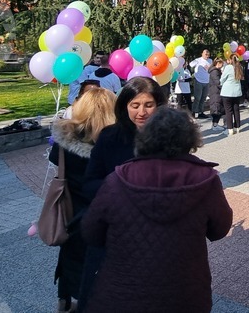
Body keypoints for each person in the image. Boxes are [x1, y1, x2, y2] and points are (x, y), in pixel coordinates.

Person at [82, 108, 233, 313]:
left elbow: (91, 232)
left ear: (145, 137)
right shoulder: (206, 180)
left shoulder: (117, 179)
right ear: (189, 139)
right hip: (184, 295)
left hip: (122, 295)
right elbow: (220, 229)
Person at [78, 77, 166, 310]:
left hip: (155, 234)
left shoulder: (170, 140)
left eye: (149, 105)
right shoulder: (110, 137)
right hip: (114, 232)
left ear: (159, 106)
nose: (142, 112)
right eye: (135, 105)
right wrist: (119, 189)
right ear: (124, 106)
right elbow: (89, 184)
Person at [49, 87, 116, 313]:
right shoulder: (116, 146)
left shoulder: (63, 141)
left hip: (72, 215)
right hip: (107, 219)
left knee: (73, 261)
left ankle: (67, 301)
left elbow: (57, 164)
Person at [220, 54, 243, 136]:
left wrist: (221, 83)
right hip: (237, 91)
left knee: (228, 111)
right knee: (236, 110)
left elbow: (222, 78)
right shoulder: (240, 67)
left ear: (229, 60)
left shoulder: (228, 67)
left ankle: (230, 129)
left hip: (227, 92)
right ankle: (237, 127)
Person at [191, 49, 212, 119]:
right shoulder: (198, 60)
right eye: (206, 54)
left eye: (208, 54)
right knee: (197, 98)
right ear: (202, 54)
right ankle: (194, 112)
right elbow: (191, 64)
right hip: (199, 81)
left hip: (206, 81)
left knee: (203, 98)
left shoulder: (210, 61)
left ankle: (201, 112)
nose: (207, 56)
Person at [207, 58, 224, 129]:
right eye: (221, 63)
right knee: (216, 107)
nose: (222, 65)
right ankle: (215, 125)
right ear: (218, 63)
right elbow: (218, 82)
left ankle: (215, 124)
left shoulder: (216, 71)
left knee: (218, 107)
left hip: (215, 91)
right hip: (215, 91)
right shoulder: (215, 72)